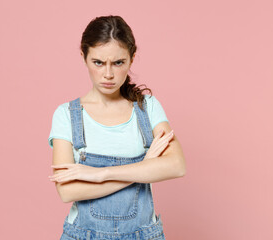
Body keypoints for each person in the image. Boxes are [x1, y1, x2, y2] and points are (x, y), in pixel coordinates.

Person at [47, 15, 186, 240]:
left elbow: (177, 165)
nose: (108, 74)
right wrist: (145, 166)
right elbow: (67, 191)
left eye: (118, 62)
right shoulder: (67, 115)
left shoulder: (147, 108)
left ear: (131, 58)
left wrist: (100, 175)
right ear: (84, 57)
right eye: (98, 62)